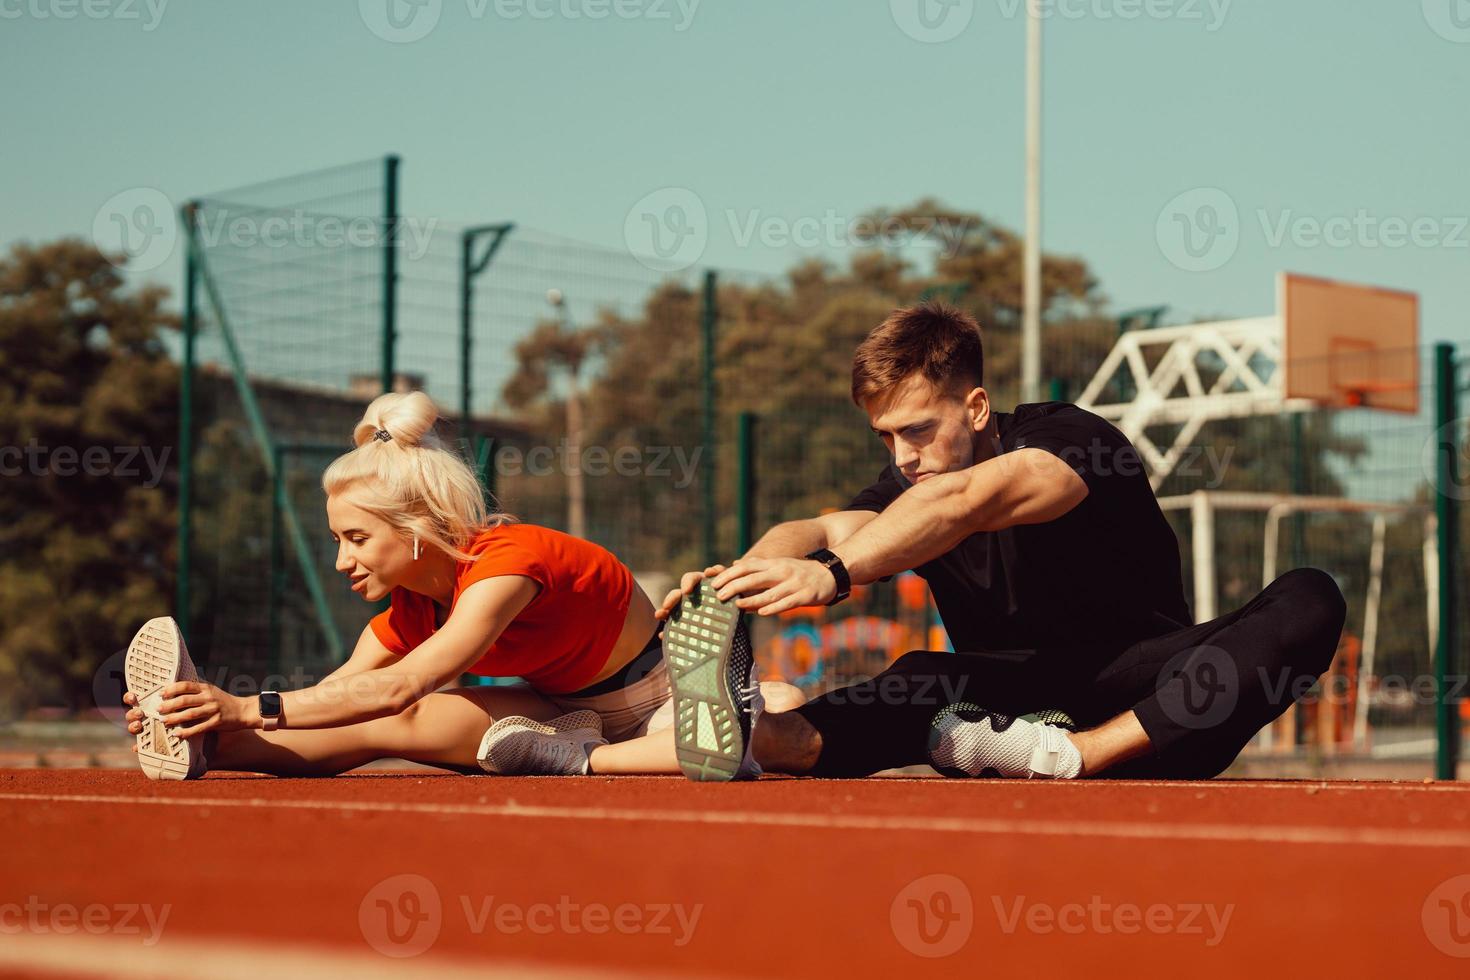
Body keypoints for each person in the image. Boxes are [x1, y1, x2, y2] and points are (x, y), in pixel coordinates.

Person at [658, 301, 1347, 781]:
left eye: (919, 430)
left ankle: (1076, 756)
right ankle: (753, 729)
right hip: (998, 715)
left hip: (1151, 702)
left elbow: (967, 500)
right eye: (886, 436)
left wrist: (835, 573)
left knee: (1310, 596)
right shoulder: (906, 488)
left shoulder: (1070, 438)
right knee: (916, 680)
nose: (902, 456)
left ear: (977, 407)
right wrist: (740, 579)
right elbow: (823, 528)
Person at [123, 391, 801, 781]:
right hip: (557, 709)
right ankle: (679, 732)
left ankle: (605, 756)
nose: (341, 562)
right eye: (336, 541)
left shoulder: (508, 564)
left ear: (417, 528)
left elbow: (399, 684)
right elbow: (342, 703)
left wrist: (246, 704)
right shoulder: (412, 610)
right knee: (386, 726)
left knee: (764, 732)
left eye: (356, 539)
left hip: (665, 690)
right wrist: (206, 727)